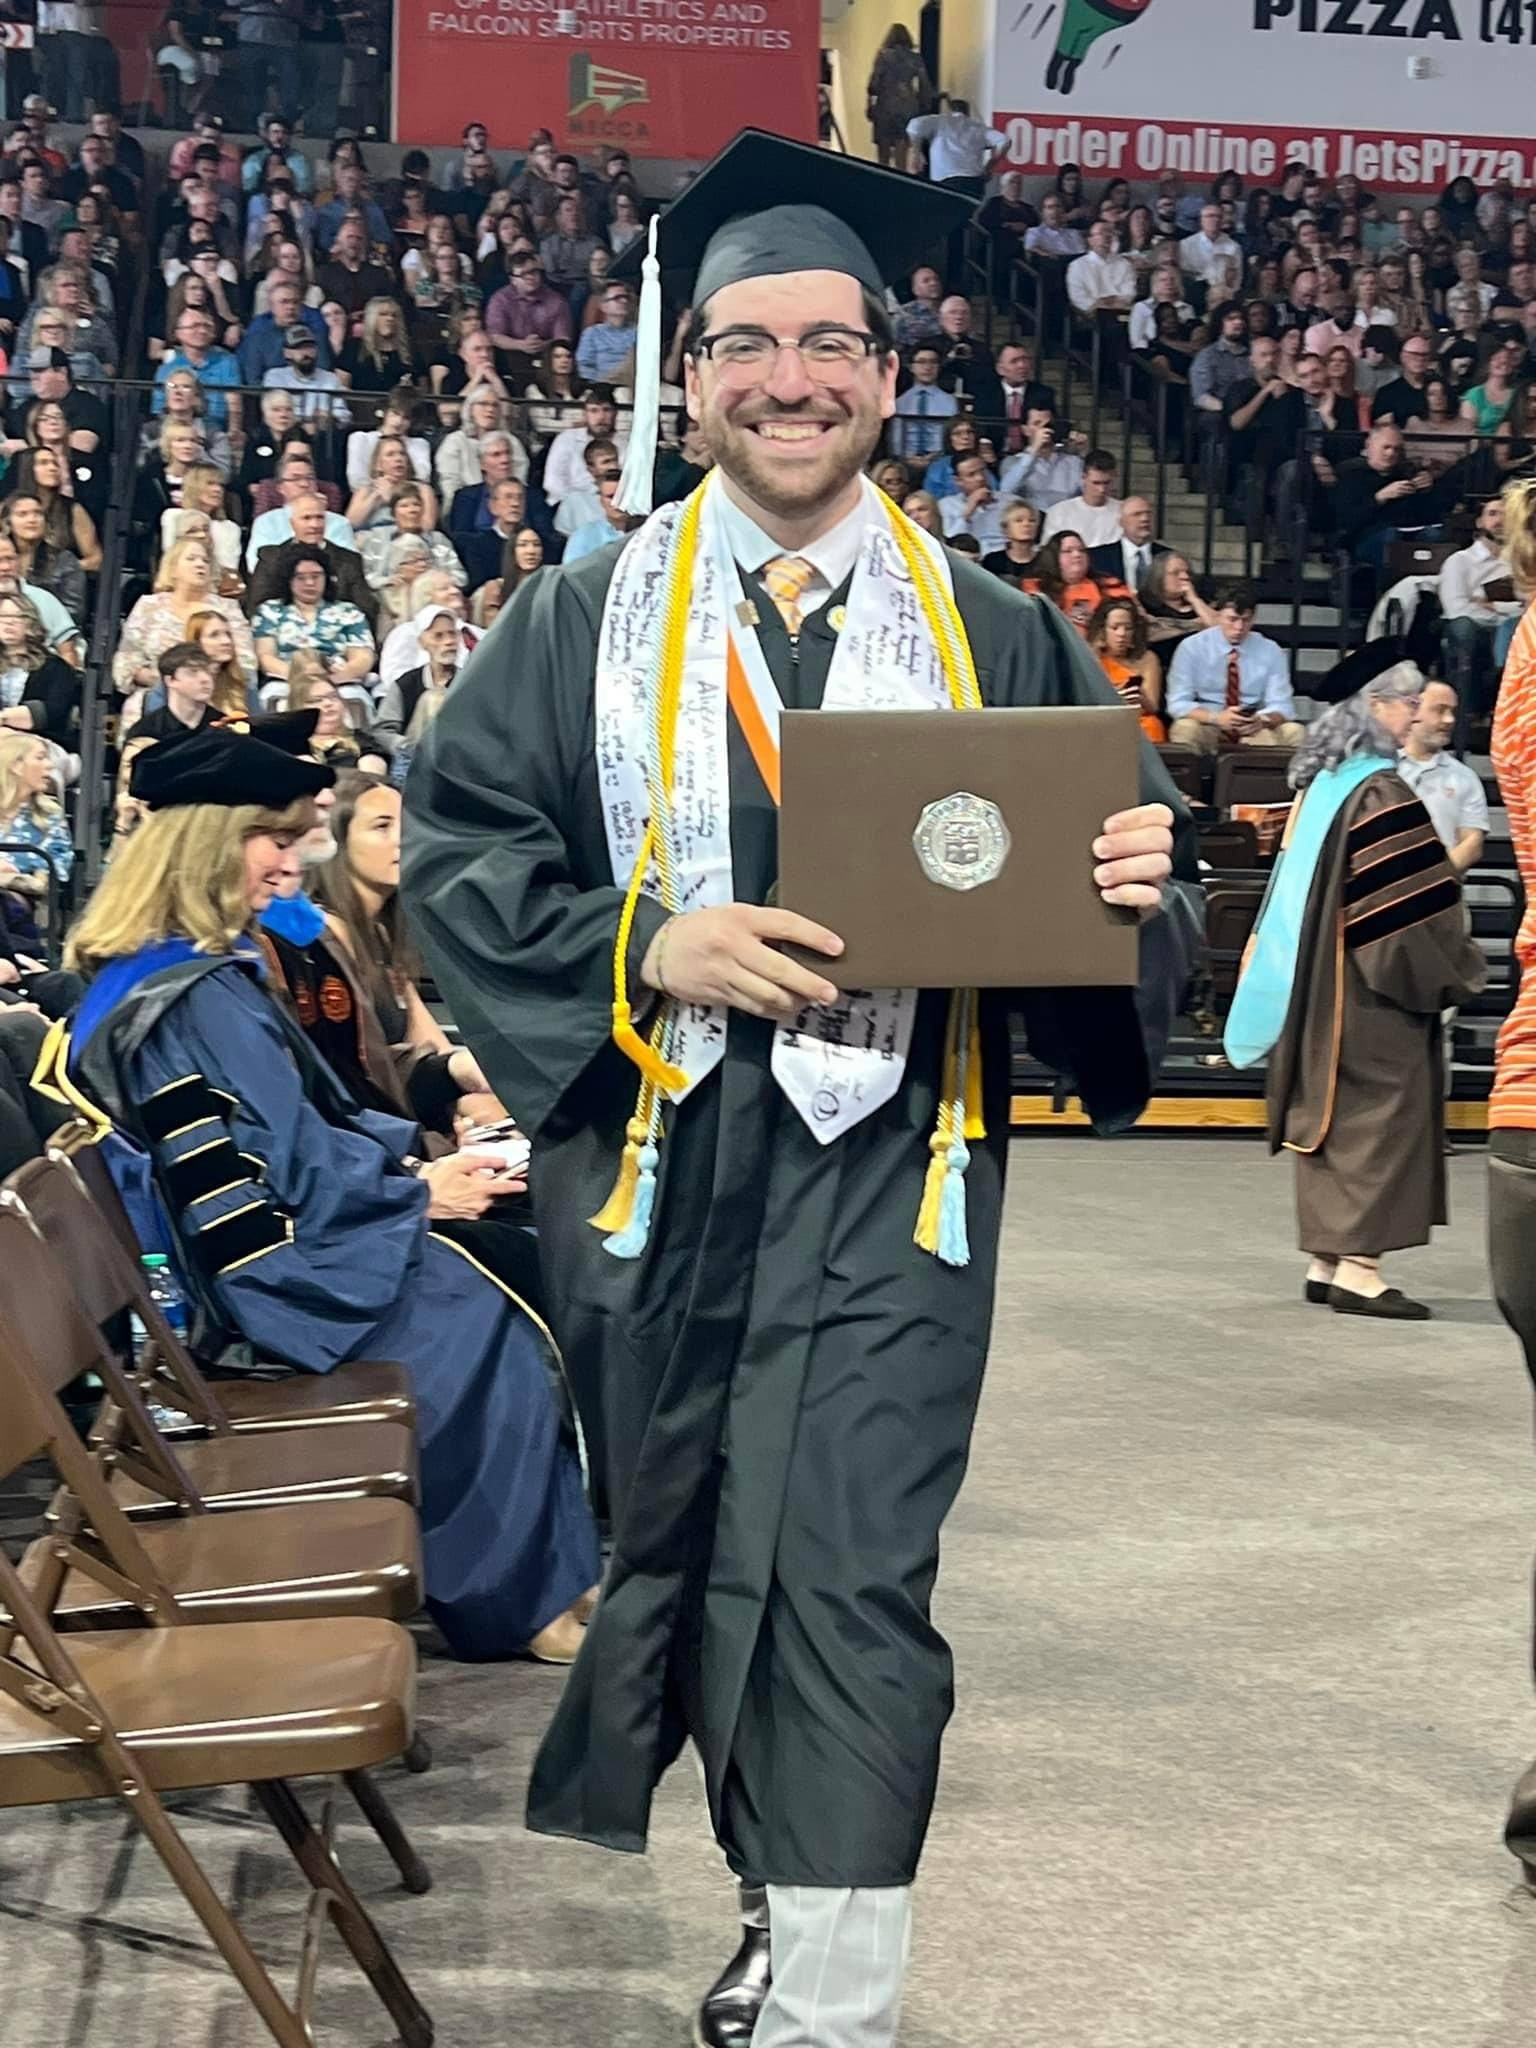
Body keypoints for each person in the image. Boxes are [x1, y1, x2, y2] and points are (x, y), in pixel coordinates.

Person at [403, 135, 1193, 2048]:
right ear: (687, 380)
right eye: (746, 343)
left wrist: (1133, 898)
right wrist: (645, 944)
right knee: (691, 1551)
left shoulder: (995, 626)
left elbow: (1128, 898)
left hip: (891, 1180)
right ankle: (778, 1898)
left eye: (831, 341)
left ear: (887, 371)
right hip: (654, 1182)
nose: (790, 378)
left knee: (847, 1567)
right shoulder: (576, 618)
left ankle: (831, 2000)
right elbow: (460, 852)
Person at [60, 718, 599, 1663]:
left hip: (266, 1248)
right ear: (204, 845)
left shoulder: (159, 972)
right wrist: (418, 1192)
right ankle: (521, 1602)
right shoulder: (191, 996)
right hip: (268, 1281)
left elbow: (306, 1127)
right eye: (271, 838)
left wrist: (414, 1166)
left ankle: (554, 1569)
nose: (290, 862)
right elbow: (287, 1170)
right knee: (488, 1322)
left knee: (502, 1266)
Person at [1226, 649, 1484, 1319]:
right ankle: (1360, 1269)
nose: (1414, 717)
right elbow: (1405, 917)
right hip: (1367, 989)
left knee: (1331, 1114)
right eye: (1408, 703)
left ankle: (1326, 1257)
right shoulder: (1381, 793)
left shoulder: (1326, 784)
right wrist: (1453, 969)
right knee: (1380, 1112)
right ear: (1374, 707)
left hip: (1314, 981)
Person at [1166, 586, 1304, 752]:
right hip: (1209, 720)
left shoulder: (1270, 650)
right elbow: (1177, 703)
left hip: (1253, 720)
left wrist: (1262, 721)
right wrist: (1216, 718)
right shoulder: (1192, 647)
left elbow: (1282, 706)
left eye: (1246, 620)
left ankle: (1263, 766)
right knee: (1184, 728)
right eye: (1232, 619)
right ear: (1217, 615)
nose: (1239, 627)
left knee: (1295, 731)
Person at [1439, 494, 1523, 738]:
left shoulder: (1521, 564)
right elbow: (1456, 608)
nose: (1500, 521)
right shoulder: (1459, 561)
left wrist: (1494, 606)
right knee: (1463, 627)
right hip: (1472, 629)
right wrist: (1501, 613)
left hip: (1513, 628)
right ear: (1479, 522)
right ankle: (1467, 713)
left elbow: (1530, 606)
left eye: (1507, 515)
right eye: (1493, 514)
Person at [1397, 679, 1488, 873]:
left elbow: (1472, 843)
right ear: (1413, 710)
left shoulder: (1464, 777)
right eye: (1440, 710)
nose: (1449, 720)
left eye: (1452, 711)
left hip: (1443, 886)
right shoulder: (1383, 769)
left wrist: (1433, 879)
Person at [252, 545, 375, 688]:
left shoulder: (349, 611)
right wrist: (304, 679)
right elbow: (266, 657)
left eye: (316, 576)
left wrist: (332, 680)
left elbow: (363, 657)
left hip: (339, 682)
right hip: (286, 681)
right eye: (300, 578)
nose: (310, 583)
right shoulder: (269, 611)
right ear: (288, 580)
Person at [0, 590, 76, 749]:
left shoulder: (56, 668)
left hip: (40, 744)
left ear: (31, 623)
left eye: (18, 616)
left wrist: (4, 718)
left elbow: (52, 713)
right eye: (3, 616)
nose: (9, 622)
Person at [1023, 529, 1128, 634]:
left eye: (1082, 550)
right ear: (1053, 557)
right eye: (1068, 551)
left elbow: (1130, 620)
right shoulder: (1035, 588)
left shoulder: (1111, 585)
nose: (1077, 555)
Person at [1088, 596, 1164, 741]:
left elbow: (1153, 707)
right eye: (1114, 628)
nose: (1122, 634)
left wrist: (1140, 697)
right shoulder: (1090, 657)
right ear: (1102, 630)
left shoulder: (1147, 659)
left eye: (1128, 628)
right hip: (1104, 720)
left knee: (1152, 724)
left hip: (1139, 719)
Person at [126, 639, 219, 743]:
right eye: (193, 672)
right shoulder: (145, 732)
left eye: (210, 672)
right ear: (170, 680)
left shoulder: (225, 727)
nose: (206, 679)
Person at [865, 25, 932, 169]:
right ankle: (899, 175)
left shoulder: (883, 56)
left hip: (885, 106)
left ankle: (882, 177)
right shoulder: (915, 58)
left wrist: (870, 102)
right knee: (902, 149)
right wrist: (924, 105)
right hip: (908, 105)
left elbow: (874, 83)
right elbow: (925, 84)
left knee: (883, 152)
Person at [1040, 449, 1122, 546]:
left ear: (1114, 477)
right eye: (1096, 483)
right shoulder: (1059, 512)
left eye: (1106, 483)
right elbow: (1049, 550)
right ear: (1083, 478)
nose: (1102, 489)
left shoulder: (1124, 511)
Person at [980, 499, 1040, 586]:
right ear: (1006, 529)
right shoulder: (992, 561)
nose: (1026, 524)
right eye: (1019, 520)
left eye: (1032, 520)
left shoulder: (1046, 562)